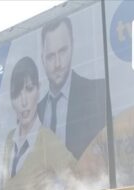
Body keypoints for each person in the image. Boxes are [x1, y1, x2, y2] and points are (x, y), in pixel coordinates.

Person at [0, 56, 76, 190]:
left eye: (29, 89)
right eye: (17, 94)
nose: (23, 101)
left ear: (39, 89)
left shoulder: (46, 140)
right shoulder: (10, 140)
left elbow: (77, 178)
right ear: (11, 100)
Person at [36, 16, 108, 161]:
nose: (57, 64)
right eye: (50, 56)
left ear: (73, 46)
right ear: (42, 59)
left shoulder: (97, 93)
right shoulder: (36, 113)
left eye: (62, 51)